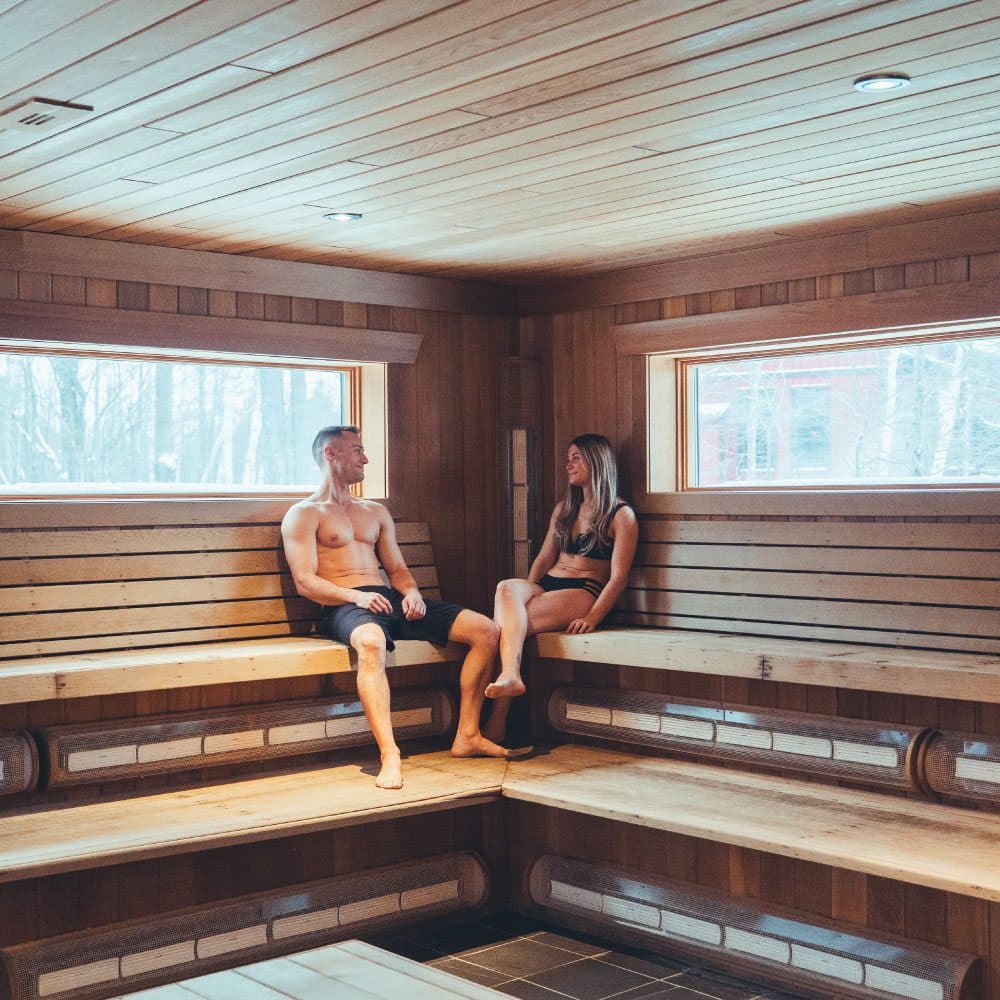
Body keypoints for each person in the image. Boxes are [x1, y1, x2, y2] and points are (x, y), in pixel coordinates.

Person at [281, 425, 510, 789]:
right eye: (356, 450)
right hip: (344, 605)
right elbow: (306, 582)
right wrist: (354, 596)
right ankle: (390, 754)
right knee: (371, 644)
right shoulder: (304, 514)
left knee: (486, 630)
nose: (365, 458)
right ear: (331, 454)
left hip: (389, 600)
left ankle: (468, 734)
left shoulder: (374, 511)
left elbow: (398, 570)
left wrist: (413, 593)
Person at [484, 433, 638, 742]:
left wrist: (593, 618)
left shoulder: (622, 516)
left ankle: (497, 721)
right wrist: (528, 590)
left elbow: (618, 577)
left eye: (576, 457)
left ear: (597, 462)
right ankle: (509, 680)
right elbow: (543, 558)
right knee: (505, 589)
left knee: (500, 631)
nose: (568, 464)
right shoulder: (565, 509)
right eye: (567, 458)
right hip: (549, 584)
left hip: (583, 591)